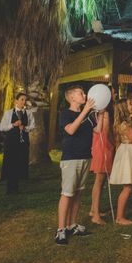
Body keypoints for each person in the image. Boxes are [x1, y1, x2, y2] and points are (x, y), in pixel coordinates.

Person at [55, 84, 96, 245]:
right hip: (71, 158)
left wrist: (101, 114)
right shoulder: (65, 113)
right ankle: (61, 230)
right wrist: (85, 111)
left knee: (78, 192)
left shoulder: (89, 114)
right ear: (72, 97)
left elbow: (98, 130)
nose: (84, 95)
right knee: (67, 193)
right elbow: (70, 130)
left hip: (86, 157)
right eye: (81, 93)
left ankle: (72, 225)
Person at [0, 92, 35, 194]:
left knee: (21, 162)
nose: (23, 102)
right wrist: (13, 125)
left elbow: (32, 126)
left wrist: (25, 128)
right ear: (16, 101)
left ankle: (18, 184)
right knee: (11, 163)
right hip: (11, 142)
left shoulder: (28, 113)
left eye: (25, 100)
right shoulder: (8, 113)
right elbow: (2, 127)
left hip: (23, 142)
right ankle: (10, 188)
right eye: (22, 99)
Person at [89, 100, 114, 225]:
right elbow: (99, 130)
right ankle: (95, 215)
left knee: (102, 180)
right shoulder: (94, 114)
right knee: (99, 181)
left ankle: (93, 209)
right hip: (100, 147)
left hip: (107, 147)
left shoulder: (106, 113)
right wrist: (101, 115)